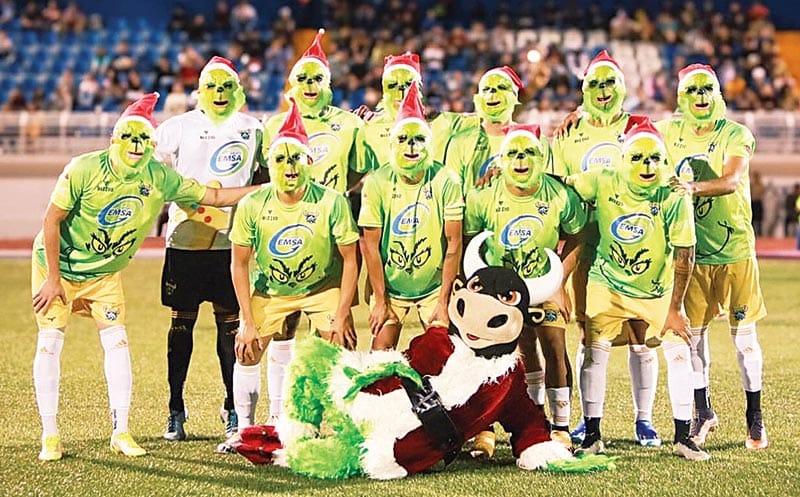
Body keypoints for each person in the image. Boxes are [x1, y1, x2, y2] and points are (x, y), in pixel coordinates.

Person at [31, 93, 260, 462]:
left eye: (143, 139)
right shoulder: (83, 168)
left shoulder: (159, 177)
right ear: (114, 140)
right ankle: (50, 434)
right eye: (129, 137)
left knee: (118, 343)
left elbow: (213, 197)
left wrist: (263, 191)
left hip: (104, 273)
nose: (136, 145)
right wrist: (53, 279)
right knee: (50, 343)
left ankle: (120, 431)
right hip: (58, 267)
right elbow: (51, 220)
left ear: (152, 145)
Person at [218, 97, 359, 453]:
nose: (289, 165)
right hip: (272, 290)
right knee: (246, 349)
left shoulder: (331, 201)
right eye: (280, 158)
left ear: (309, 162)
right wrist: (247, 321)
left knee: (341, 344)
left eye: (296, 157)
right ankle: (244, 429)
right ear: (269, 164)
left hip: (320, 287)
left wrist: (342, 314)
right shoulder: (253, 203)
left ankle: (336, 425)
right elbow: (238, 264)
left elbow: (350, 259)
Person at [566, 118, 709, 461]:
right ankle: (593, 434)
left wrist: (674, 309)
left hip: (657, 290)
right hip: (608, 283)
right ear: (622, 160)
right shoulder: (602, 180)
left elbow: (686, 254)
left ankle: (682, 437)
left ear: (664, 161)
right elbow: (563, 185)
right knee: (593, 350)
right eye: (638, 158)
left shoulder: (674, 196)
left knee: (680, 350)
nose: (647, 166)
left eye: (654, 159)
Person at [551, 51, 661, 446]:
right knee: (590, 333)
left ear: (622, 87)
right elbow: (558, 187)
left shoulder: (640, 126)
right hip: (588, 247)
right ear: (584, 89)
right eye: (594, 83)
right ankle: (587, 420)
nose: (602, 90)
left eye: (609, 82)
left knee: (640, 332)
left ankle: (644, 420)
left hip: (636, 246)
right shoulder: (569, 133)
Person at [154, 56, 264, 443]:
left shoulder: (254, 129)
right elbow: (147, 167)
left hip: (232, 245)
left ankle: (233, 409)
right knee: (180, 326)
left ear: (238, 90)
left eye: (226, 86)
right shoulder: (177, 127)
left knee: (229, 329)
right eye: (212, 86)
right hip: (185, 241)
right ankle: (175, 409)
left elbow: (272, 175)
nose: (219, 93)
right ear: (200, 90)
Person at [658, 64, 768, 450]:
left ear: (718, 93)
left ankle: (754, 415)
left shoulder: (735, 133)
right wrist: (580, 115)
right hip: (692, 254)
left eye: (707, 88)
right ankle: (703, 412)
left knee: (745, 342)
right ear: (680, 96)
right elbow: (628, 131)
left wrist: (689, 187)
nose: (700, 96)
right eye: (692, 90)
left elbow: (731, 180)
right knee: (694, 341)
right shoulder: (668, 131)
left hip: (735, 251)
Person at [260, 29, 366, 427]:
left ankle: (332, 418)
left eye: (316, 78)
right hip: (282, 239)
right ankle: (277, 418)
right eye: (301, 78)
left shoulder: (349, 125)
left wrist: (329, 201)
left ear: (329, 84)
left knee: (335, 332)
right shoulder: (271, 126)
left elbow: (358, 170)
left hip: (331, 236)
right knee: (283, 327)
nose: (308, 85)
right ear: (291, 85)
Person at [464, 123, 586, 450]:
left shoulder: (560, 195)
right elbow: (469, 240)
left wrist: (559, 281)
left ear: (540, 157)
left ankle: (560, 427)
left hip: (544, 287)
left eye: (528, 152)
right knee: (497, 356)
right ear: (502, 160)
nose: (521, 160)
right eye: (514, 154)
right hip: (499, 296)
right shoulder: (483, 196)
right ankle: (490, 428)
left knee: (554, 347)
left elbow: (577, 237)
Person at [358, 82, 463, 351]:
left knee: (444, 355)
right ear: (392, 144)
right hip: (391, 291)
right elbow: (369, 245)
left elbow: (453, 245)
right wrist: (381, 301)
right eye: (403, 139)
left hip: (434, 288)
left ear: (429, 143)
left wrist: (443, 301)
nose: (411, 146)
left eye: (418, 139)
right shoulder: (378, 181)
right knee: (379, 358)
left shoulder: (445, 179)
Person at [442, 66, 524, 194]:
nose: (492, 94)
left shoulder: (531, 141)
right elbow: (451, 194)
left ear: (514, 97)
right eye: (486, 89)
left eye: (501, 88)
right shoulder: (460, 142)